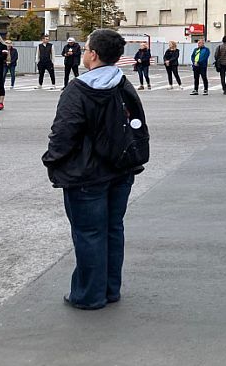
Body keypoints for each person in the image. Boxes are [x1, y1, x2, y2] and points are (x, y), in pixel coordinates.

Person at [42, 28, 149, 311]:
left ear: (93, 55)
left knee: (89, 233)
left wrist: (52, 160)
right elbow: (137, 124)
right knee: (113, 228)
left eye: (87, 47)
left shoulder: (79, 89)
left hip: (86, 174)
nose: (85, 52)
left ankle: (88, 294)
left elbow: (63, 132)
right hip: (120, 169)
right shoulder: (122, 84)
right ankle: (110, 289)